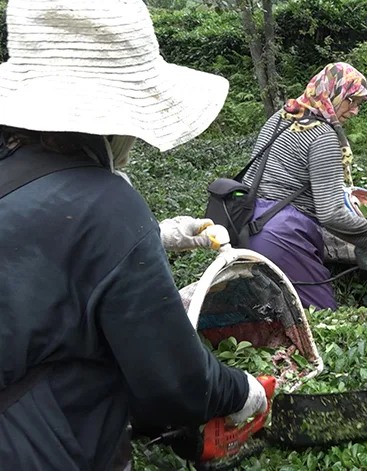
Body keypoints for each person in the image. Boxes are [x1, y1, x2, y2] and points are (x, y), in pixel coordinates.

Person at [0, 2, 268, 470]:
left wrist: (163, 235)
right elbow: (175, 384)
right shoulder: (105, 202)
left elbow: (44, 256)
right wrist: (242, 390)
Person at [240, 62, 367, 312]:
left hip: (244, 229)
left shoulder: (284, 115)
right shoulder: (322, 136)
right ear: (332, 93)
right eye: (351, 101)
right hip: (283, 238)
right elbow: (331, 213)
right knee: (318, 319)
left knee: (262, 317)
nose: (355, 111)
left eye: (359, 104)